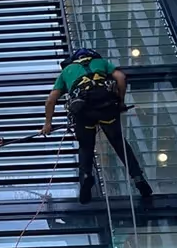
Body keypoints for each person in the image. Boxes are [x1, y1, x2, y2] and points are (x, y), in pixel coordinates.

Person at [41, 48, 152, 204]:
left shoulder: (67, 71)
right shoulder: (101, 63)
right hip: (107, 108)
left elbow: (50, 101)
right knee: (119, 143)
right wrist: (121, 101)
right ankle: (137, 176)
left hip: (84, 112)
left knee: (86, 147)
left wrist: (47, 124)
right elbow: (121, 77)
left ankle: (86, 176)